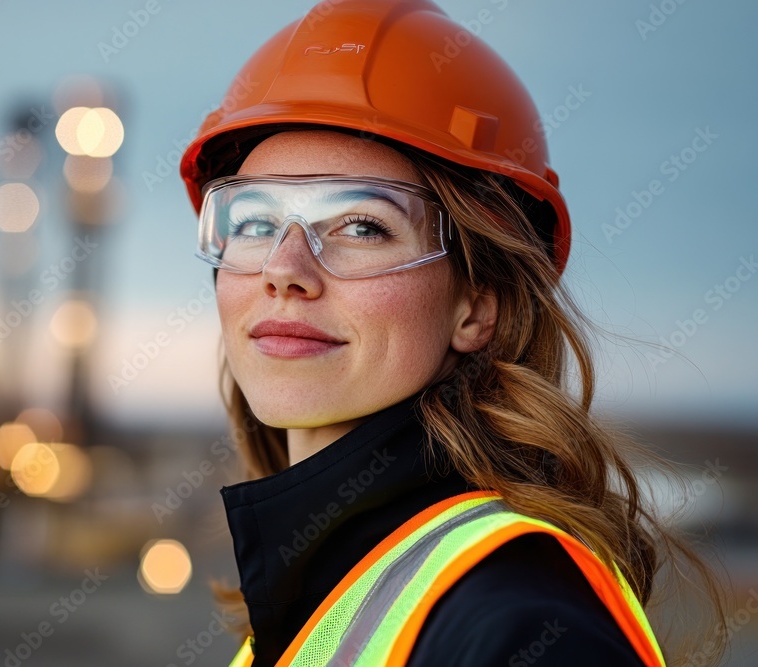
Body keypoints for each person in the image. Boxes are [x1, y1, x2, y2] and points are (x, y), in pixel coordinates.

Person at [178, 1, 726, 665]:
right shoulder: (314, 600)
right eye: (255, 223)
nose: (284, 270)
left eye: (361, 226)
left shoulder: (521, 627)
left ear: (477, 305)